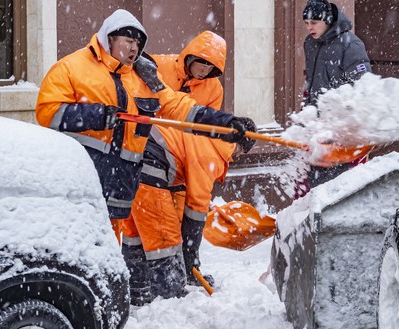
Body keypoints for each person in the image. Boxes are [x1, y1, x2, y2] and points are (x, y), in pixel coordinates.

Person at [35, 10, 251, 239]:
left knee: (111, 251)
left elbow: (178, 107)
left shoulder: (142, 77)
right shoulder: (72, 67)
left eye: (137, 43)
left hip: (120, 185)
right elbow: (48, 113)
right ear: (109, 38)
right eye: (128, 41)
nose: (133, 49)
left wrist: (225, 122)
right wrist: (98, 115)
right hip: (82, 180)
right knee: (81, 246)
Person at [120, 31, 257, 304]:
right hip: (149, 154)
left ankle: (138, 287)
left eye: (212, 67)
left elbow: (198, 126)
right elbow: (197, 208)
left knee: (138, 227)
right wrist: (189, 251)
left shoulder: (211, 95)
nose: (205, 70)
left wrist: (190, 257)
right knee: (164, 236)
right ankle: (169, 298)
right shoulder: (158, 67)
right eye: (202, 62)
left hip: (143, 159)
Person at [300, 0, 372, 192]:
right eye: (306, 23)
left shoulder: (351, 45)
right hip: (317, 128)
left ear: (328, 20)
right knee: (314, 186)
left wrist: (344, 125)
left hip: (342, 132)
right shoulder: (310, 43)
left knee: (338, 188)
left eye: (314, 22)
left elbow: (363, 87)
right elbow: (312, 82)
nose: (309, 27)